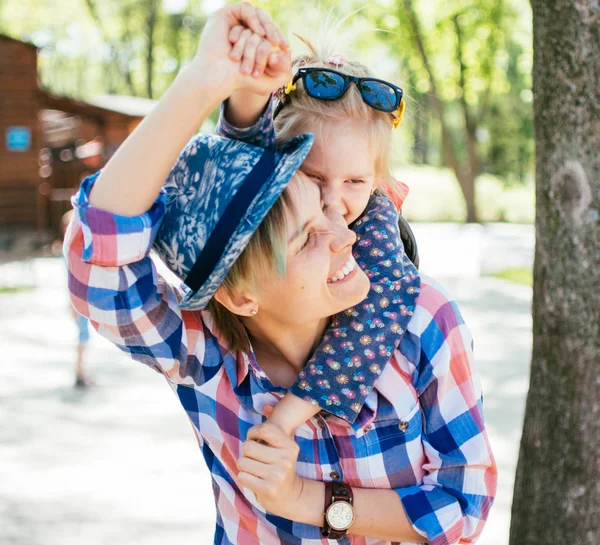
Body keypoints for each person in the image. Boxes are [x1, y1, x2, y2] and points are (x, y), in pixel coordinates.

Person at [65, 3, 496, 544]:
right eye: (311, 225)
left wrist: (307, 501)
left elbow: (465, 502)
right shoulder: (209, 357)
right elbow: (103, 265)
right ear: (241, 293)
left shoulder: (422, 320)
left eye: (353, 191)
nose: (344, 228)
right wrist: (205, 83)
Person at [216, 27, 420, 433]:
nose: (332, 201)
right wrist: (249, 93)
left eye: (355, 182)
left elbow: (379, 310)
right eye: (313, 177)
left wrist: (290, 414)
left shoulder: (375, 217)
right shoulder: (276, 206)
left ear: (376, 180)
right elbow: (239, 154)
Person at [54, 209, 95, 388]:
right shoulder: (71, 252)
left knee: (84, 337)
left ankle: (81, 372)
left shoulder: (72, 250)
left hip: (80, 298)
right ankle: (79, 374)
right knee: (82, 336)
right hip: (78, 300)